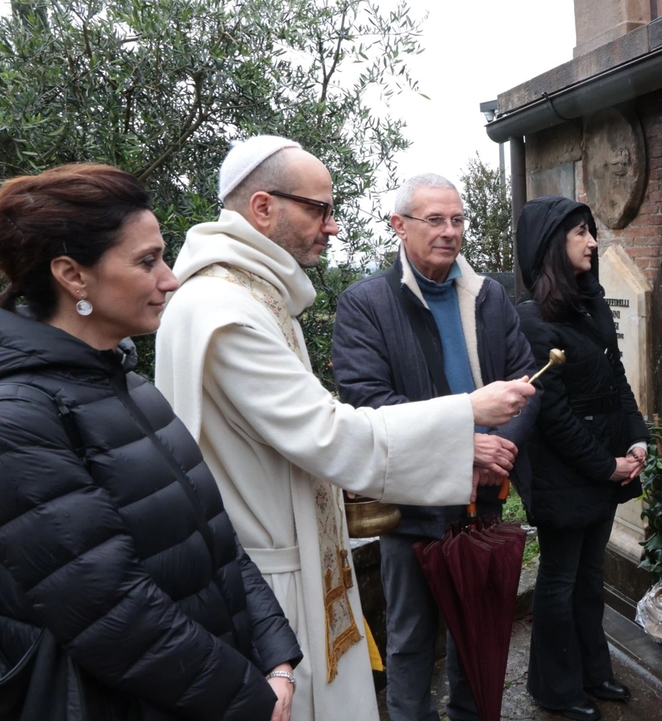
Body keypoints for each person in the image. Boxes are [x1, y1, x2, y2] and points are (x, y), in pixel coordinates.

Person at [154, 136, 535, 721]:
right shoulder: (225, 309)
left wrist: (490, 445)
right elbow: (330, 431)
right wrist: (466, 418)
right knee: (400, 646)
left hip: (326, 541)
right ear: (263, 208)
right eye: (320, 209)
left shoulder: (245, 295)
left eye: (458, 219)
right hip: (280, 574)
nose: (332, 228)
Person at [0, 164, 302, 720]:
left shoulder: (127, 382)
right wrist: (248, 698)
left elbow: (213, 534)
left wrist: (275, 655)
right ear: (72, 276)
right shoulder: (15, 418)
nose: (170, 278)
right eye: (147, 260)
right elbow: (111, 613)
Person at [331, 172, 539, 721]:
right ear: (399, 226)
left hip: (481, 501)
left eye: (457, 219)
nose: (449, 231)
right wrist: (463, 447)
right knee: (410, 641)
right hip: (411, 506)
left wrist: (498, 452)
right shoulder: (366, 304)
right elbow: (368, 403)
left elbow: (525, 384)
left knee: (478, 636)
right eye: (435, 220)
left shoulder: (489, 296)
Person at [514, 196, 649, 721]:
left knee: (590, 579)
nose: (593, 242)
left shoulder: (590, 307)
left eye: (591, 232)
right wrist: (605, 465)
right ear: (552, 245)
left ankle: (594, 673)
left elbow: (616, 383)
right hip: (566, 475)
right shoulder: (531, 321)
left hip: (604, 470)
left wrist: (636, 440)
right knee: (559, 581)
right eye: (580, 233)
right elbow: (553, 416)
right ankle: (554, 686)